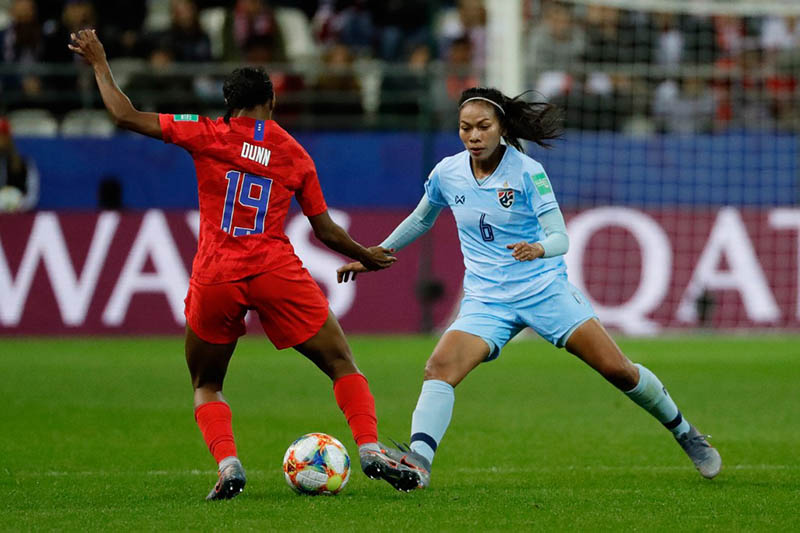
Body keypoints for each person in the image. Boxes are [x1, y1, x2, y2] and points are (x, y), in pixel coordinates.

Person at [68, 29, 421, 499]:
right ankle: (371, 447)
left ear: (228, 105)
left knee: (207, 381)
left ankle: (229, 465)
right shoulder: (294, 151)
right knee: (341, 363)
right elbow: (324, 230)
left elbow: (124, 114)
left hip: (217, 273)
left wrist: (99, 62)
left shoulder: (208, 131)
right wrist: (366, 255)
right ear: (271, 101)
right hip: (275, 270)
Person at [336, 86, 723, 489]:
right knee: (439, 367)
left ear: (501, 127)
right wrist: (373, 254)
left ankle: (684, 432)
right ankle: (419, 462)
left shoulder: (526, 171)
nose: (473, 136)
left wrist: (539, 248)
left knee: (617, 370)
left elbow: (561, 237)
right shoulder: (447, 173)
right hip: (486, 300)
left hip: (544, 290)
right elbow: (422, 218)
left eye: (483, 127)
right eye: (465, 128)